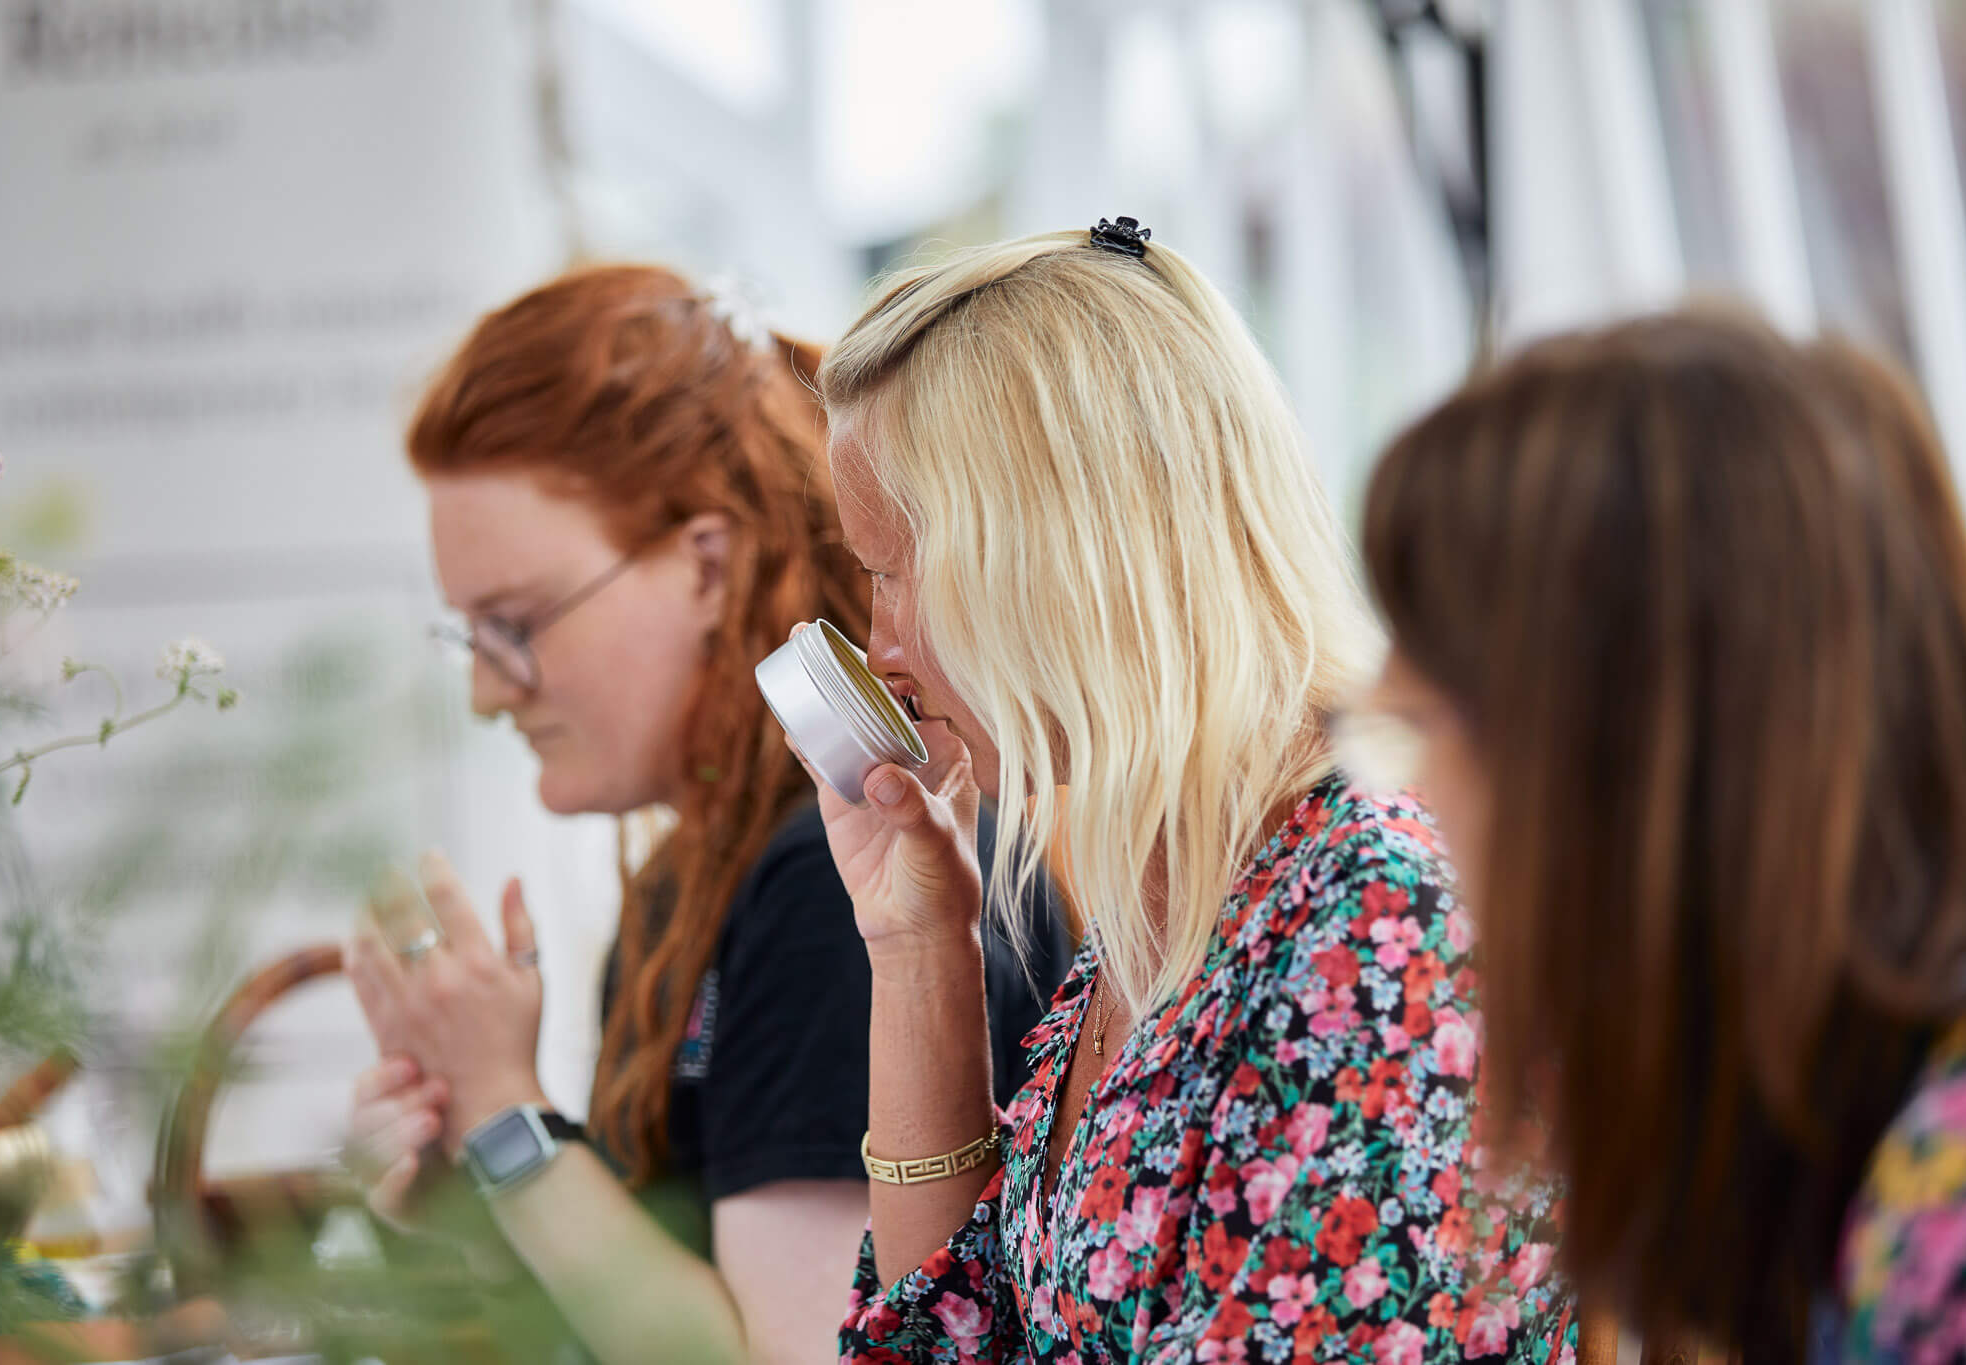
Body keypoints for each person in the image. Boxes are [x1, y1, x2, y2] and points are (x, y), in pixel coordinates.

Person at [798, 220, 1574, 1363]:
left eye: (896, 572)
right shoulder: (1168, 902)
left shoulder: (1375, 912)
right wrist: (919, 947)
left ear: (1062, 552)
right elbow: (945, 1346)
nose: (882, 646)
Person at [338, 265, 1069, 1365]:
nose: (489, 689)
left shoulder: (840, 877)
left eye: (517, 622)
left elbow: (791, 1351)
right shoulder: (696, 882)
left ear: (707, 565)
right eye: (470, 636)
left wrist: (506, 1114)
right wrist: (476, 1179)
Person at [1355, 310, 1966, 1361]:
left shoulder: (1961, 1232)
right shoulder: (1843, 1130)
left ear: (1614, 766)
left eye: (1423, 727)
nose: (1408, 796)